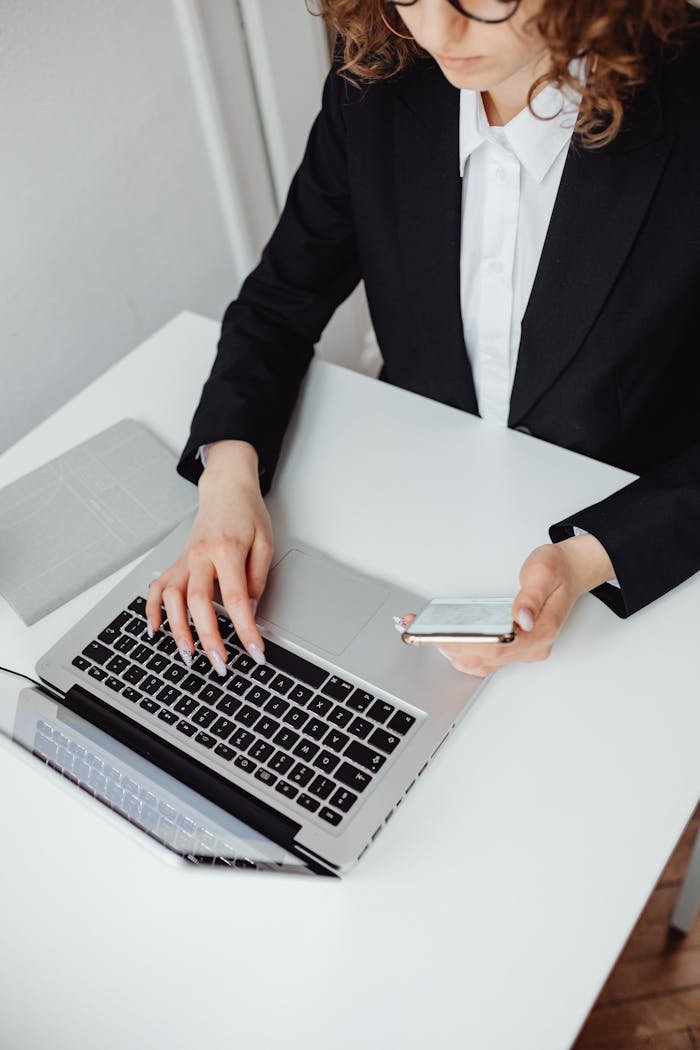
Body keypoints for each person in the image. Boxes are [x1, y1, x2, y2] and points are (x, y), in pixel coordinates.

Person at [146, 0, 700, 680]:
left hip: (643, 552)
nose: (437, 33)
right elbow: (280, 301)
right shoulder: (374, 87)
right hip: (414, 514)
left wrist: (590, 557)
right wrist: (227, 486)